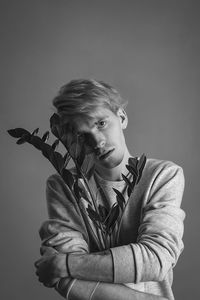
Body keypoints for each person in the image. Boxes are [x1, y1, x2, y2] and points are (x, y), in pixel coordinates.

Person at [34, 79, 185, 300]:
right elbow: (62, 279)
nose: (96, 142)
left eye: (101, 124)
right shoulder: (64, 185)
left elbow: (156, 260)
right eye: (81, 135)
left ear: (122, 117)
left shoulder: (163, 175)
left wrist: (65, 264)